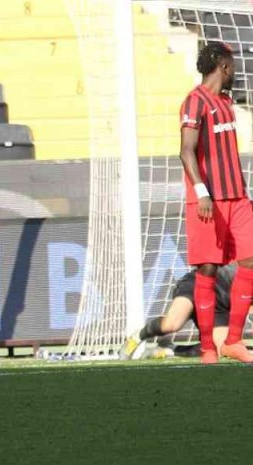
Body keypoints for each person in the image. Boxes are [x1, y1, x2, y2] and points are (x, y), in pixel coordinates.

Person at [178, 42, 253, 364]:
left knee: (251, 260)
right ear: (223, 66)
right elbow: (186, 150)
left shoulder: (225, 101)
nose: (235, 71)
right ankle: (208, 347)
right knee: (207, 268)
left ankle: (233, 341)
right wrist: (201, 191)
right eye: (232, 65)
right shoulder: (194, 101)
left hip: (237, 196)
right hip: (208, 199)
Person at [124, 265, 237, 359]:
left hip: (221, 301)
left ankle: (170, 349)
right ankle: (137, 337)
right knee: (172, 324)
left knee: (222, 349)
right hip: (198, 283)